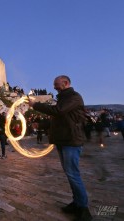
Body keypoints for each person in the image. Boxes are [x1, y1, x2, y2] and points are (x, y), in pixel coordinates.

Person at [28, 75, 92, 221]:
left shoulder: (74, 97)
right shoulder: (63, 99)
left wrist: (35, 105)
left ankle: (83, 208)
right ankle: (77, 202)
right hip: (62, 141)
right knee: (69, 174)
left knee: (73, 174)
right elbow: (58, 119)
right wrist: (42, 125)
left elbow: (58, 111)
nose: (54, 87)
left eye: (56, 84)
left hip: (71, 141)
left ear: (66, 83)